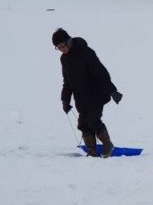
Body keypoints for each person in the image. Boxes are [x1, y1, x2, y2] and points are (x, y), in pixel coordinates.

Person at [53, 28, 123, 157]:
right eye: (58, 48)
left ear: (68, 41)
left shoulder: (86, 52)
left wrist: (112, 91)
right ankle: (91, 151)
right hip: (80, 97)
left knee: (93, 120)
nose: (62, 50)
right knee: (83, 124)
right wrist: (65, 100)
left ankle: (108, 145)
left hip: (95, 94)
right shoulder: (64, 59)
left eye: (62, 46)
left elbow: (101, 73)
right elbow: (67, 82)